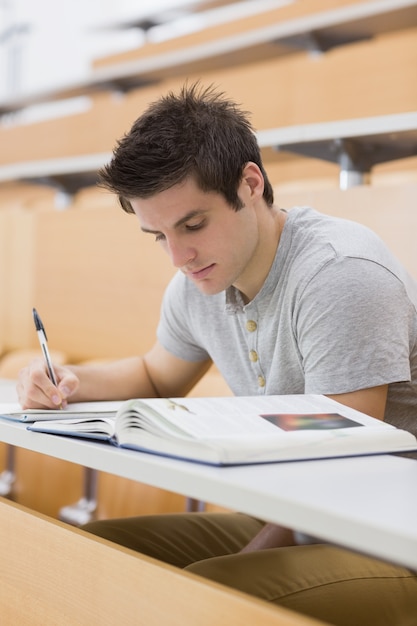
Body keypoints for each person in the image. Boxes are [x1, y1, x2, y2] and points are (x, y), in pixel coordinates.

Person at [17, 83, 417, 625]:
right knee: (100, 551)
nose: (179, 256)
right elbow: (155, 376)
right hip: (301, 517)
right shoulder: (199, 280)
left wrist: (238, 563)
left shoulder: (338, 273)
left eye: (193, 225)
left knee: (205, 594)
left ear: (250, 183)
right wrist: (67, 381)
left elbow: (342, 465)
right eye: (157, 235)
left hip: (392, 533)